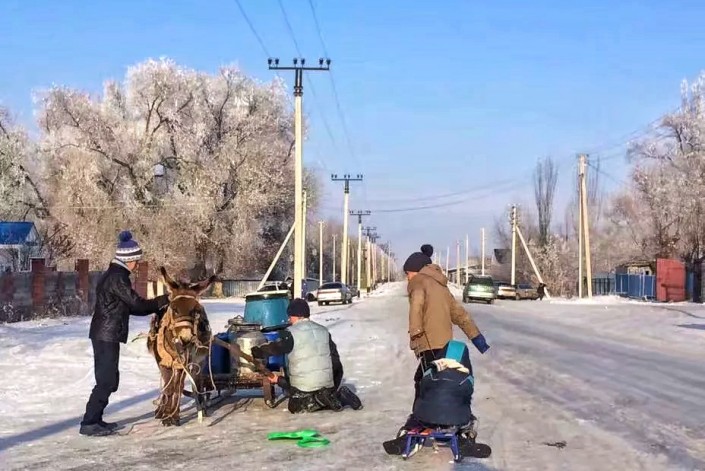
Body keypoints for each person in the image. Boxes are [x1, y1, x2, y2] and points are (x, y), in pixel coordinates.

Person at [79, 231, 170, 437]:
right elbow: (137, 304)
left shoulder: (115, 275)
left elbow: (130, 307)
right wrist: (162, 300)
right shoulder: (118, 278)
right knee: (106, 380)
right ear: (129, 260)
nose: (137, 265)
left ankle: (95, 419)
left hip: (106, 333)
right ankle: (89, 422)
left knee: (109, 379)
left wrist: (156, 305)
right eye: (136, 260)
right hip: (106, 334)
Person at [403, 244, 489, 421]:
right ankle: (442, 415)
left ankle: (422, 418)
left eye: (408, 273)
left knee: (424, 381)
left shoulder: (418, 281)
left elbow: (416, 306)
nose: (407, 278)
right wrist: (476, 337)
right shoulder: (441, 286)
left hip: (428, 341)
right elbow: (459, 314)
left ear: (416, 271)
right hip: (444, 344)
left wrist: (415, 332)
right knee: (439, 380)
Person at [251, 298, 362, 414]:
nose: (289, 319)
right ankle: (337, 397)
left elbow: (275, 348)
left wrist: (258, 351)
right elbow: (335, 361)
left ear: (294, 316)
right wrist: (332, 384)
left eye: (290, 316)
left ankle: (320, 399)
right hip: (328, 385)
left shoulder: (291, 333)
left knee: (295, 406)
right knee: (324, 394)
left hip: (305, 388)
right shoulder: (323, 331)